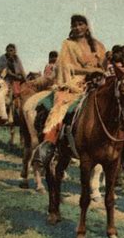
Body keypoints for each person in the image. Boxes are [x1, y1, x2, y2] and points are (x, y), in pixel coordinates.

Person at [32, 14, 106, 167]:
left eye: (81, 24)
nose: (78, 28)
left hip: (99, 81)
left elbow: (103, 65)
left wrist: (99, 73)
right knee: (60, 103)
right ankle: (49, 145)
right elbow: (65, 67)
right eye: (74, 25)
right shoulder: (67, 44)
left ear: (87, 26)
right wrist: (89, 72)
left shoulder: (98, 45)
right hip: (75, 82)